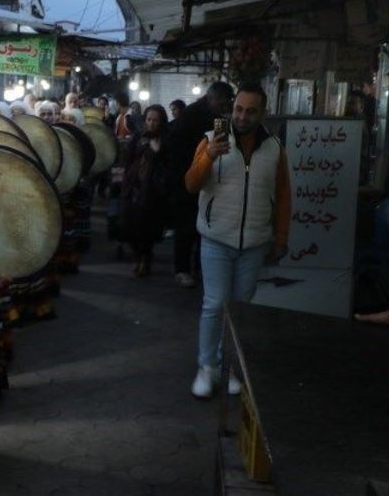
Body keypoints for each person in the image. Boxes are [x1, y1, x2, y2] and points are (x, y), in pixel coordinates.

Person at [184, 82, 291, 399]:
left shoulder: (274, 148)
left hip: (255, 243)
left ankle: (232, 367)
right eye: (239, 109)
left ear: (262, 113)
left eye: (251, 111)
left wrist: (281, 238)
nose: (242, 116)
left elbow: (283, 196)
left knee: (241, 309)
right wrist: (208, 158)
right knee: (214, 304)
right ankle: (207, 367)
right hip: (216, 239)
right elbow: (191, 185)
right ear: (232, 108)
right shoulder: (209, 140)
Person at [164, 81, 235, 289]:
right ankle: (182, 269)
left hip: (207, 180)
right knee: (186, 227)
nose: (225, 106)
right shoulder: (192, 115)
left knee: (202, 227)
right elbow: (177, 150)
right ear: (213, 98)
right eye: (223, 102)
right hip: (186, 180)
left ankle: (198, 267)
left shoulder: (219, 117)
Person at [120, 105, 169, 277]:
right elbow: (128, 159)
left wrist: (157, 152)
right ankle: (137, 256)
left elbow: (169, 164)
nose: (151, 123)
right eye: (149, 119)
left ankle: (145, 259)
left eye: (155, 120)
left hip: (152, 192)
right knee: (132, 226)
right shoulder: (138, 136)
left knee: (147, 228)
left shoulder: (166, 139)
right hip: (134, 188)